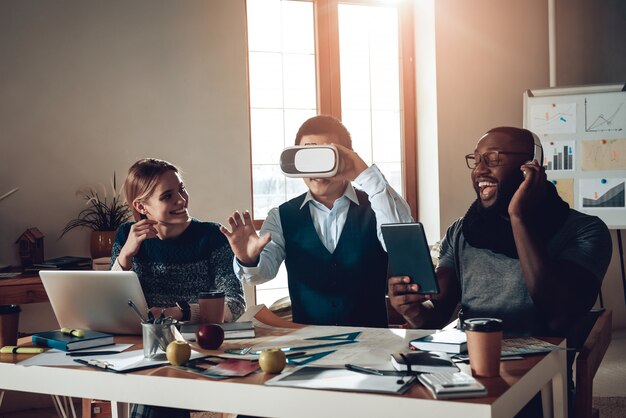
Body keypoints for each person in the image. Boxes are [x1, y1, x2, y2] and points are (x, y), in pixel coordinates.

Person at [388, 126, 612, 417]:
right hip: (465, 376)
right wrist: (413, 310)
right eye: (476, 159)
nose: (479, 170)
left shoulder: (585, 231)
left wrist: (517, 217)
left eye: (492, 159)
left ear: (531, 167)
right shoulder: (462, 231)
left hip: (539, 386)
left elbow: (559, 314)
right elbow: (437, 312)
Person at [221, 115, 413, 327]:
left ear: (345, 156)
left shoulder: (378, 204)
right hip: (308, 346)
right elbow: (259, 275)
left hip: (373, 344)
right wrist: (248, 260)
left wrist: (365, 175)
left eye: (326, 157)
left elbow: (403, 246)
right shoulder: (281, 215)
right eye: (309, 158)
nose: (318, 170)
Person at [111, 158, 246, 418]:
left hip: (200, 345)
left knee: (158, 392)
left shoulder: (211, 236)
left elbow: (235, 304)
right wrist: (125, 256)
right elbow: (113, 300)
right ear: (142, 206)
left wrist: (179, 311)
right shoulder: (126, 234)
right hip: (142, 345)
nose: (181, 200)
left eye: (182, 189)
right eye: (168, 196)